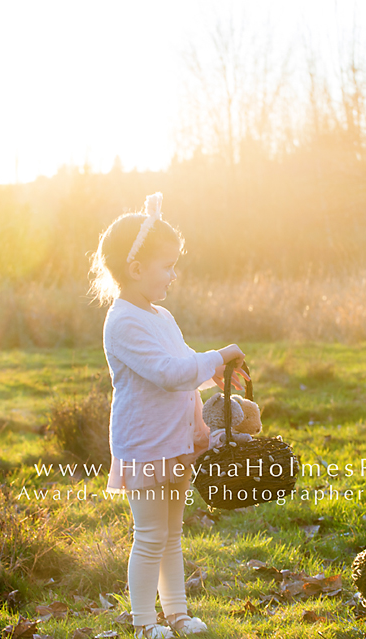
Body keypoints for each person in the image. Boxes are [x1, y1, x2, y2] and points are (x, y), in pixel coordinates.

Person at [89, 192, 246, 639]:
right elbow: (167, 372)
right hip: (146, 444)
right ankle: (143, 623)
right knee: (150, 536)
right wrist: (218, 356)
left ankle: (176, 614)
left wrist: (211, 374)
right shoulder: (122, 322)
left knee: (173, 535)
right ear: (136, 269)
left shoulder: (162, 316)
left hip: (175, 440)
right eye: (167, 266)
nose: (173, 275)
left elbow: (183, 369)